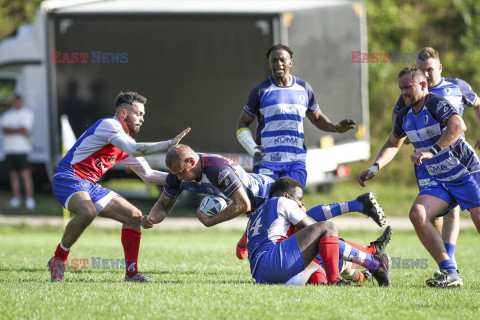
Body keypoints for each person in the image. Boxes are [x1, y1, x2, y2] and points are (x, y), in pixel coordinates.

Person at [47, 91, 190, 282]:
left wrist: (183, 177)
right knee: (88, 211)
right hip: (68, 177)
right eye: (138, 114)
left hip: (89, 185)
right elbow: (135, 150)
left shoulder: (127, 142)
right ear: (123, 113)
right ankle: (58, 259)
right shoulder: (109, 125)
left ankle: (131, 274)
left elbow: (148, 176)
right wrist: (169, 144)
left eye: (143, 115)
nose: (142, 119)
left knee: (134, 216)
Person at [358, 66, 480, 288]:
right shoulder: (404, 115)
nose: (403, 92)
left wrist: (431, 150)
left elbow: (458, 125)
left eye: (408, 87)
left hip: (466, 172)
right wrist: (375, 167)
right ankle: (450, 271)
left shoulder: (435, 103)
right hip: (441, 180)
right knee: (418, 214)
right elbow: (392, 144)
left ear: (423, 85)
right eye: (401, 88)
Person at [235, 44, 357, 258]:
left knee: (294, 206)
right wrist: (252, 147)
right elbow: (242, 124)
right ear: (269, 63)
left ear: (290, 62)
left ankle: (295, 253)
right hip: (268, 162)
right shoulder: (261, 91)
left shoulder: (303, 89)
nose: (278, 64)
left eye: (282, 60)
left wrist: (336, 127)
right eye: (274, 60)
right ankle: (253, 238)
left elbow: (317, 118)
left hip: (295, 161)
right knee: (265, 206)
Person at [142, 144, 385, 244]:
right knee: (307, 231)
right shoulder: (177, 176)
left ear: (191, 161)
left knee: (307, 231)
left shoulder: (216, 168)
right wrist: (152, 217)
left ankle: (360, 253)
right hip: (260, 205)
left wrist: (210, 221)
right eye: (175, 174)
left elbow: (242, 204)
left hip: (270, 195)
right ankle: (358, 207)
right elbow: (164, 204)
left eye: (181, 172)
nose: (178, 177)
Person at [391, 47, 480, 275]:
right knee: (426, 214)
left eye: (429, 69)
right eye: (423, 70)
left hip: (461, 164)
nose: (427, 74)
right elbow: (396, 128)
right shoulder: (409, 98)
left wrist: (433, 148)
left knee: (463, 213)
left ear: (439, 68)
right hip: (431, 168)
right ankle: (449, 268)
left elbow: (463, 120)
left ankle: (448, 258)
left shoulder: (454, 88)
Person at [246, 177, 391, 286]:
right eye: (299, 199)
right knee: (327, 228)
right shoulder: (282, 202)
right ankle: (370, 264)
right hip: (274, 263)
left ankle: (371, 260)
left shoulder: (257, 213)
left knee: (317, 262)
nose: (301, 203)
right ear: (286, 195)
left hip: (261, 274)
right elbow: (316, 229)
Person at [0, 92, 35, 209]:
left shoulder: (27, 113)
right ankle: (16, 198)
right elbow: (5, 130)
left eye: (19, 100)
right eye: (15, 100)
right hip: (9, 149)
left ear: (22, 101)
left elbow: (24, 128)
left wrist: (12, 130)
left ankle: (29, 198)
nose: (17, 102)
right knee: (13, 175)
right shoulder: (6, 115)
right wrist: (19, 130)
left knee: (25, 175)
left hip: (22, 149)